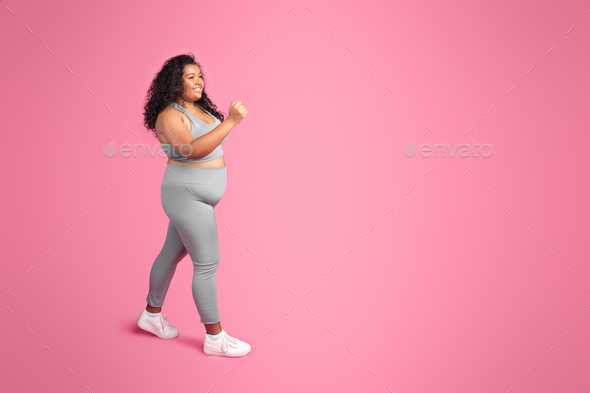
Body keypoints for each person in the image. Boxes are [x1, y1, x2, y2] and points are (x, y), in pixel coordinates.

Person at [137, 53, 251, 357]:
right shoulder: (169, 116)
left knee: (170, 254)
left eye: (200, 75)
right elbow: (194, 149)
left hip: (194, 196)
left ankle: (151, 315)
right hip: (186, 197)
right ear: (175, 82)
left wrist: (224, 122)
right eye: (190, 76)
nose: (198, 81)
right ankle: (215, 337)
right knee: (207, 264)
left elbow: (210, 142)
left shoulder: (198, 107)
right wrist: (232, 122)